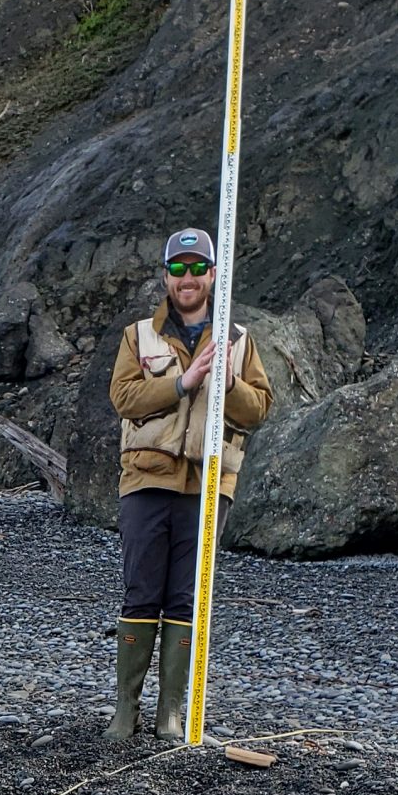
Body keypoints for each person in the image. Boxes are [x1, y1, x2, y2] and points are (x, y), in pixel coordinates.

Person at [106, 228, 274, 741]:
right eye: (177, 269)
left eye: (197, 267)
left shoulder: (240, 342)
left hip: (208, 485)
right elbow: (124, 397)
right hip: (147, 481)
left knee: (185, 598)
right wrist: (181, 383)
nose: (187, 277)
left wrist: (227, 382)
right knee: (141, 592)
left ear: (213, 275)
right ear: (165, 276)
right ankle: (125, 712)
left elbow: (260, 407)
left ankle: (170, 713)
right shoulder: (139, 336)